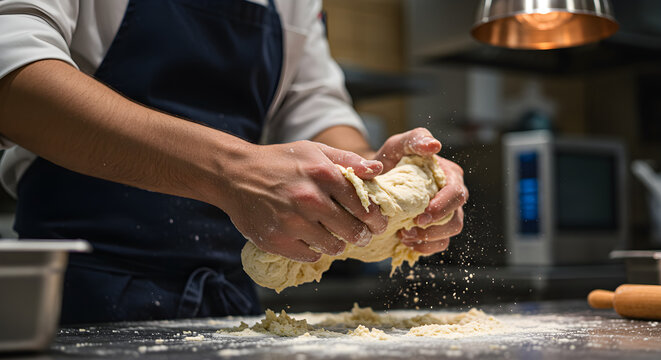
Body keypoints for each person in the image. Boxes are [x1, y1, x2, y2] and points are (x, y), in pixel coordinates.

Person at [0, 0, 467, 324]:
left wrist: (378, 180)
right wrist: (233, 171)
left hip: (230, 303)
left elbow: (315, 107)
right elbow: (14, 76)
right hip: (77, 295)